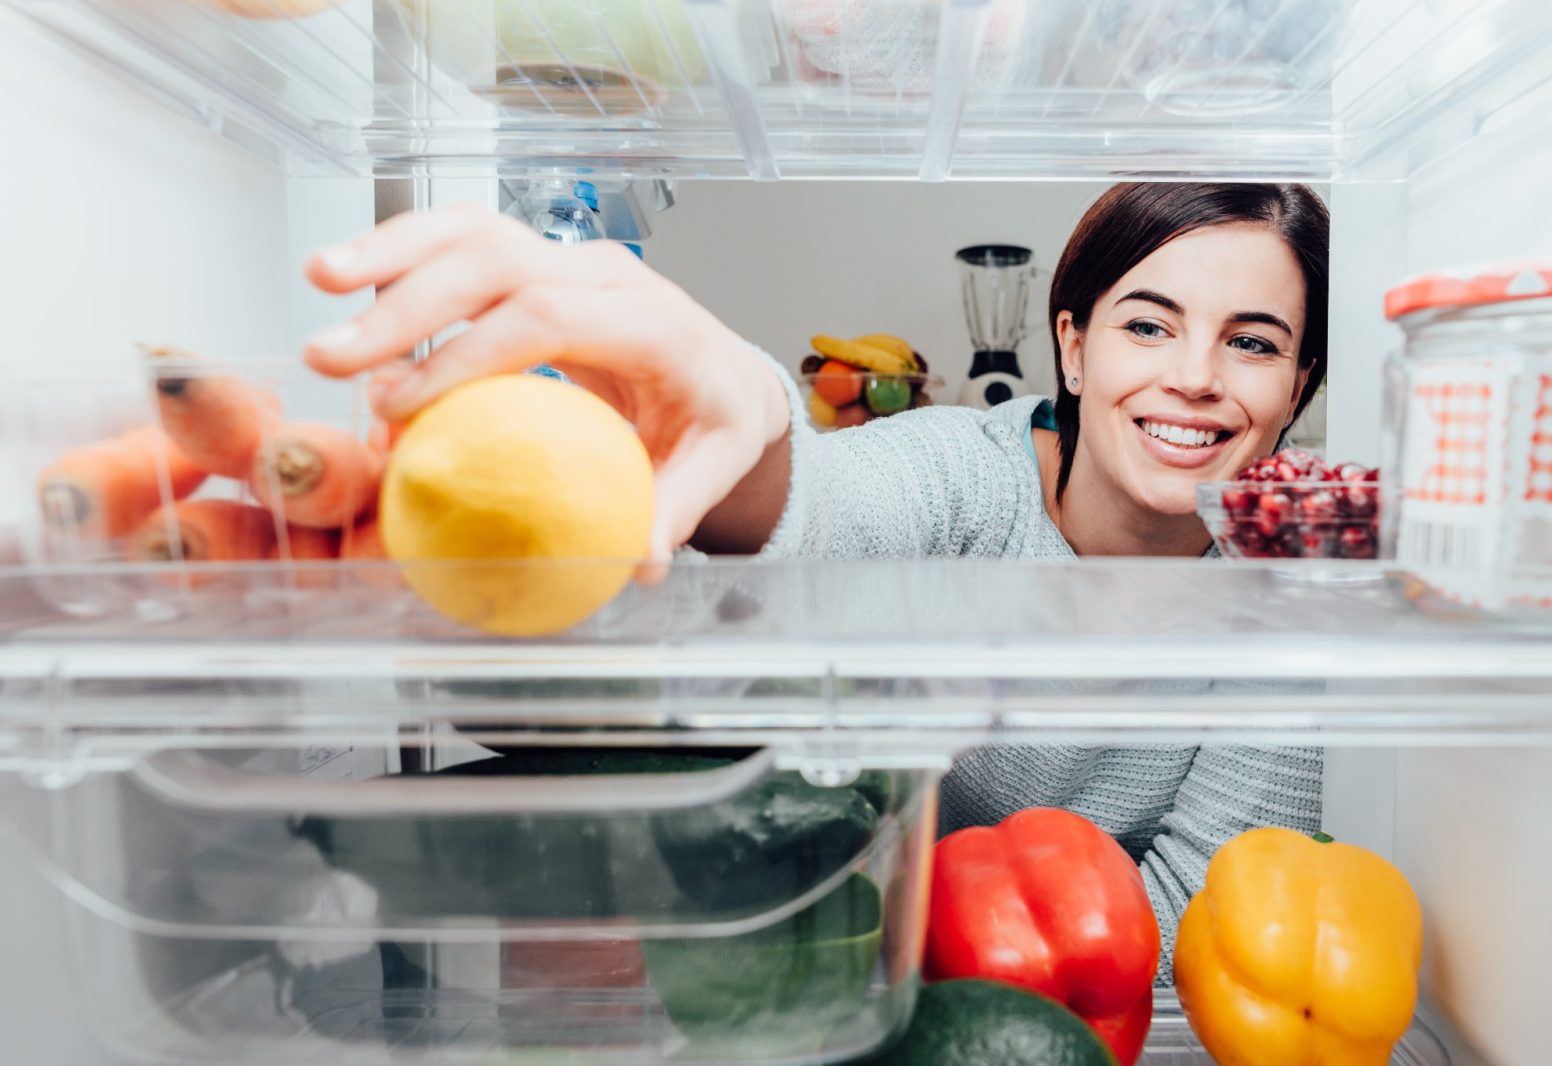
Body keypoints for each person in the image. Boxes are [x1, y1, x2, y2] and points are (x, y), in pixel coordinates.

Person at [302, 182, 1328, 981]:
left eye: (1251, 342)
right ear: (1070, 345)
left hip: (1063, 1003)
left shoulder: (1288, 596)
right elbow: (821, 507)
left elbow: (1216, 911)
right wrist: (741, 407)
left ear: (1297, 390)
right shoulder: (963, 471)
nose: (1194, 374)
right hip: (834, 955)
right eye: (1147, 325)